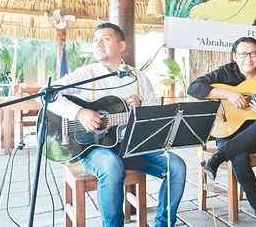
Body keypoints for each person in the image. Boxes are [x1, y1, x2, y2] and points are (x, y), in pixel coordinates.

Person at [46, 22, 186, 227]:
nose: (98, 43)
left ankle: (163, 224)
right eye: (95, 40)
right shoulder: (86, 74)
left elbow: (154, 116)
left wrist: (140, 107)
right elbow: (48, 95)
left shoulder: (139, 77)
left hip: (132, 147)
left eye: (105, 38)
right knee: (112, 166)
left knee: (176, 165)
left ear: (122, 46)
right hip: (94, 149)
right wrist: (80, 112)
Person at [187, 37, 256, 227]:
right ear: (234, 56)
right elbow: (194, 88)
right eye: (243, 54)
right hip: (227, 132)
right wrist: (229, 94)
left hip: (255, 134)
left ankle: (218, 157)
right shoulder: (226, 72)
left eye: (253, 54)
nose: (248, 58)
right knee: (240, 156)